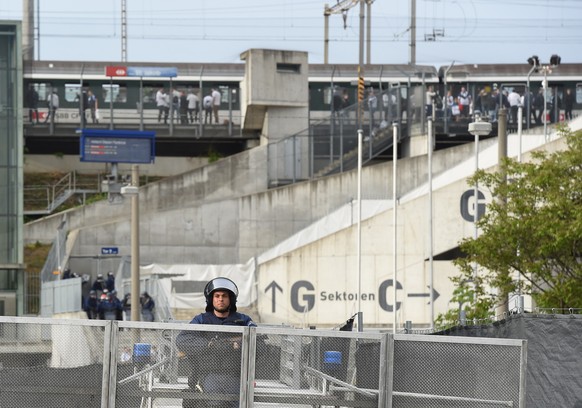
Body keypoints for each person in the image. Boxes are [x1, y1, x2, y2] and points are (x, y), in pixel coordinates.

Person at [176, 277, 255, 408]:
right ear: (211, 299)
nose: (220, 299)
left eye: (224, 296)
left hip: (236, 376)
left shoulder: (243, 320)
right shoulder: (201, 320)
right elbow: (182, 340)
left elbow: (257, 340)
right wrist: (210, 345)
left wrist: (238, 345)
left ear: (231, 299)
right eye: (217, 296)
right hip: (208, 375)